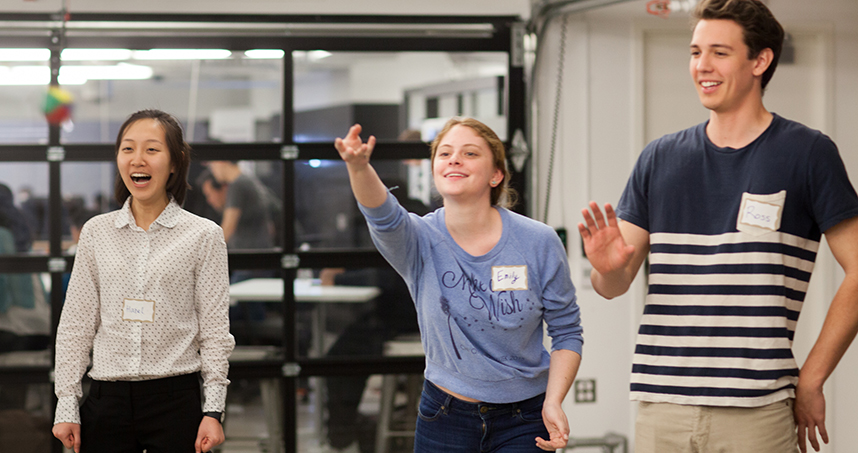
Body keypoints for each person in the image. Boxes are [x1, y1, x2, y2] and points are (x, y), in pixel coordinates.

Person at [577, 1, 858, 452]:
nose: (702, 66)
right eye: (695, 52)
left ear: (760, 61)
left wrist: (812, 378)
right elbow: (612, 286)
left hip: (757, 412)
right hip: (662, 407)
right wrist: (607, 268)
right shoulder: (659, 158)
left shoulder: (808, 154)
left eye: (719, 53)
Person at [335, 118, 583, 452]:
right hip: (445, 416)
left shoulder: (538, 241)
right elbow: (383, 215)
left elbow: (567, 331)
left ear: (496, 175)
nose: (454, 160)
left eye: (470, 153)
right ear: (435, 170)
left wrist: (553, 401)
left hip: (525, 418)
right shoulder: (419, 239)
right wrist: (359, 167)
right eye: (445, 153)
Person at [52, 109, 235, 453]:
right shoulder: (96, 232)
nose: (138, 159)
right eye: (128, 148)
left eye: (152, 149)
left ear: (175, 162)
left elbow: (215, 332)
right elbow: (76, 325)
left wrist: (213, 410)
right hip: (107, 399)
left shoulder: (203, 235)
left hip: (175, 400)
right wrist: (66, 404)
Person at [206, 160, 277, 250]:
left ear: (221, 162)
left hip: (249, 250)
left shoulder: (237, 185)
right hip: (259, 247)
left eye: (212, 166)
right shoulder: (248, 180)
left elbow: (228, 227)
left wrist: (208, 250)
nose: (212, 170)